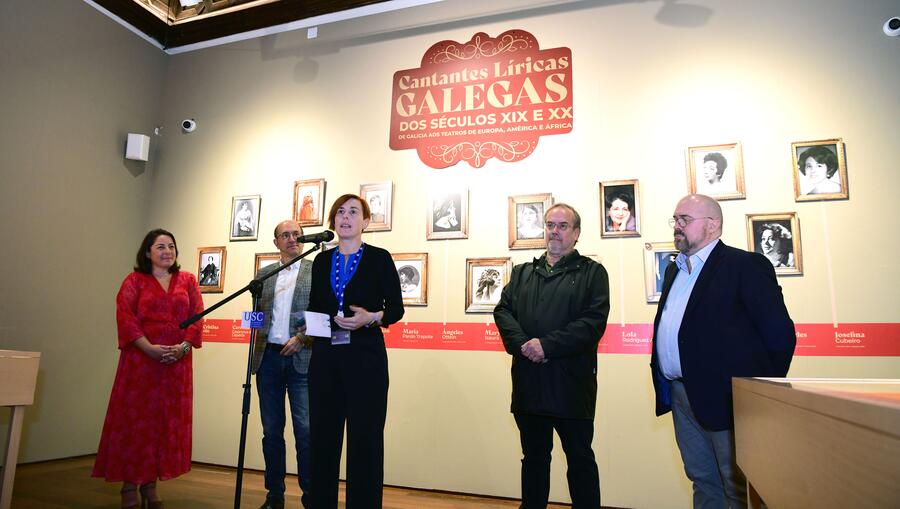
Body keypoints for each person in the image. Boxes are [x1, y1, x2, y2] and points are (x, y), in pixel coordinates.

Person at [650, 194, 796, 508]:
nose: (677, 227)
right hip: (681, 395)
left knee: (738, 486)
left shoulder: (744, 265)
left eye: (684, 220)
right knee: (702, 479)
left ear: (712, 224)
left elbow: (780, 336)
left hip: (729, 400)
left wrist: (756, 395)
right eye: (675, 220)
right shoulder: (675, 270)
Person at [494, 203, 610, 509]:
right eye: (549, 225)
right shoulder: (522, 274)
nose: (554, 232)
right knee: (533, 460)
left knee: (580, 460)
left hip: (571, 386)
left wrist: (547, 345)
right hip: (529, 383)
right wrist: (524, 345)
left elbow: (591, 324)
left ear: (576, 233)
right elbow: (503, 311)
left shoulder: (593, 273)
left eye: (562, 226)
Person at [93, 228, 204, 509]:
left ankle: (150, 485)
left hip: (176, 364)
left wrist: (183, 348)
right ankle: (130, 485)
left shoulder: (188, 280)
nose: (168, 251)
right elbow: (126, 318)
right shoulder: (134, 281)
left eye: (172, 246)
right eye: (161, 247)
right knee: (136, 424)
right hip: (141, 362)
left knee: (164, 424)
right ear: (147, 252)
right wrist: (148, 348)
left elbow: (198, 318)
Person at [306, 194, 405, 508]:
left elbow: (397, 309)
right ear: (333, 221)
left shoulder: (379, 257)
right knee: (323, 439)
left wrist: (370, 318)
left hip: (366, 359)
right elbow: (314, 308)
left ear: (366, 222)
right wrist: (309, 325)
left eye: (353, 212)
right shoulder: (322, 260)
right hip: (325, 359)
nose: (345, 218)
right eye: (339, 213)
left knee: (365, 440)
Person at [251, 220, 314, 509]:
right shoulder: (263, 275)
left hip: (302, 361)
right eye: (285, 235)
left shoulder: (317, 271)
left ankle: (311, 496)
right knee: (271, 432)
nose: (292, 239)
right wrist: (248, 323)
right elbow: (255, 317)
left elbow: (327, 314)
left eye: (297, 235)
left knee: (306, 431)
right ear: (276, 242)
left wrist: (303, 338)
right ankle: (274, 495)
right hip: (268, 362)